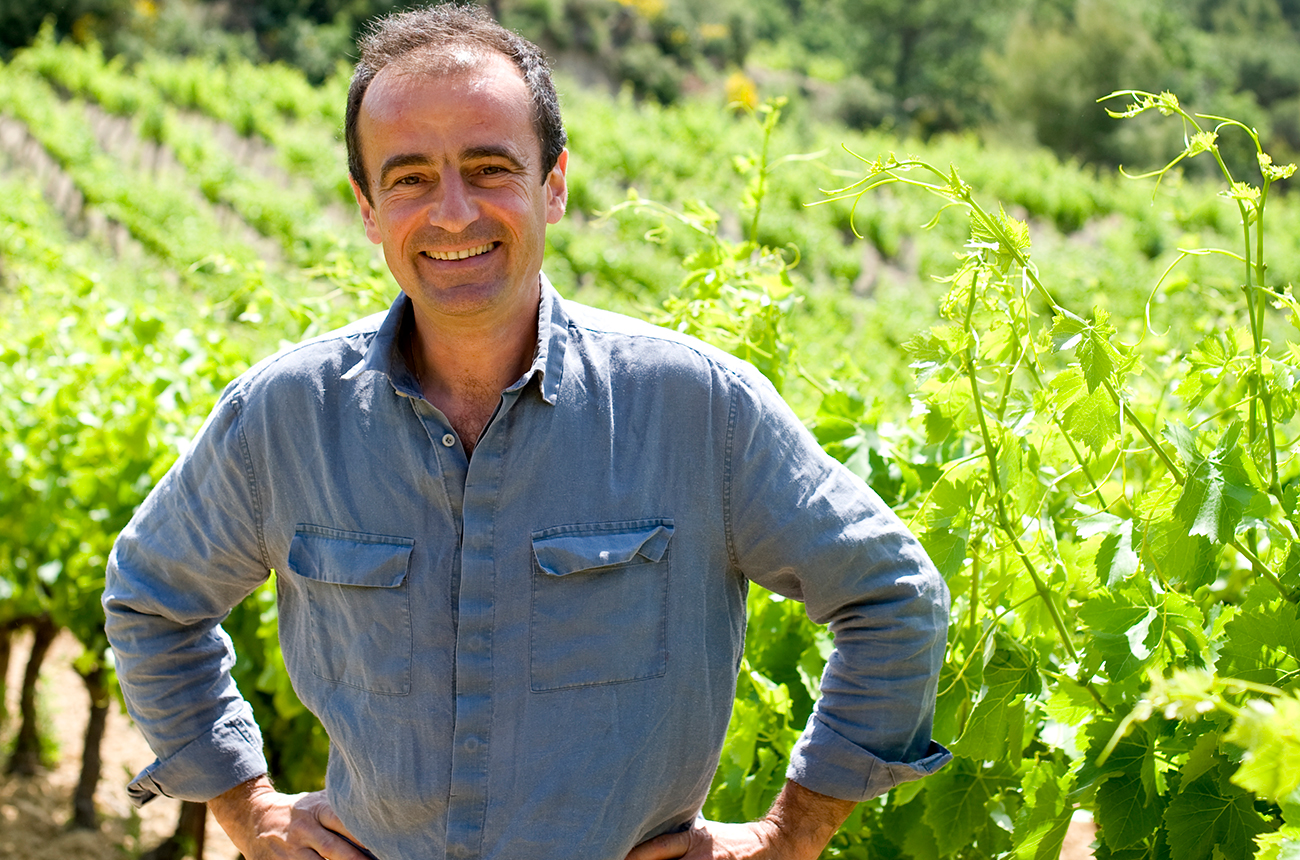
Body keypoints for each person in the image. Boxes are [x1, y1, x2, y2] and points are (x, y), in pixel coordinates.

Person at [103, 5, 951, 859]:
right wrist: (248, 809)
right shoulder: (284, 419)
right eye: (409, 179)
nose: (454, 213)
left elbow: (893, 601)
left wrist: (788, 835)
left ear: (555, 183)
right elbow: (151, 599)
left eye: (490, 167)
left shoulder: (695, 411)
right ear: (366, 206)